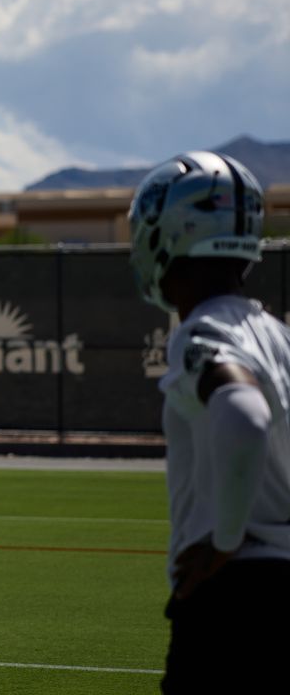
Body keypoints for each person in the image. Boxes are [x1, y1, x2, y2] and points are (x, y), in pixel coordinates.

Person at [128, 151, 290, 693]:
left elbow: (243, 416)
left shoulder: (201, 334)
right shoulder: (276, 335)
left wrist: (224, 541)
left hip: (235, 601)